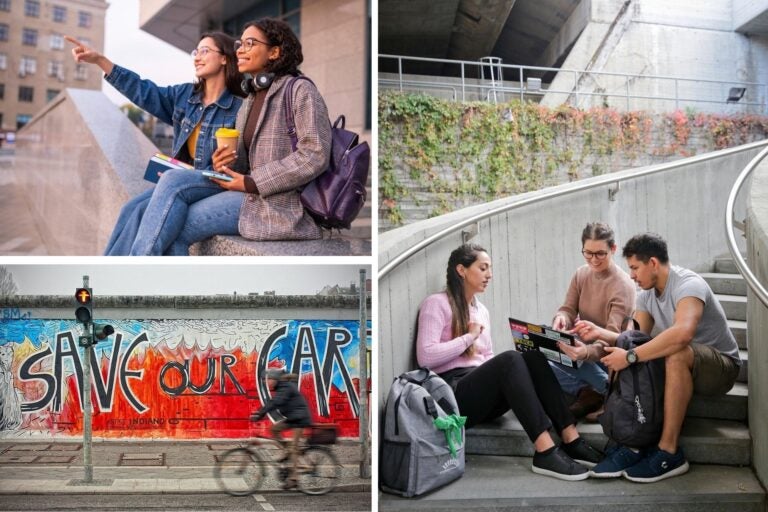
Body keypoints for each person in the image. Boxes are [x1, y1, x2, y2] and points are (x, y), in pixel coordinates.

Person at [124, 18, 332, 255]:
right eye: (239, 44)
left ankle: (136, 268)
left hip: (279, 204)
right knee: (170, 197)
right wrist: (227, 161)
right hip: (247, 194)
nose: (240, 50)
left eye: (250, 43)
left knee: (173, 212)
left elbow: (315, 154)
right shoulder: (251, 98)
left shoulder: (300, 90)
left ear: (274, 52)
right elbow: (245, 164)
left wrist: (253, 182)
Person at [416, 243, 603, 481]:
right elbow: (426, 357)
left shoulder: (481, 310)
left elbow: (488, 360)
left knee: (533, 355)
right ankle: (545, 451)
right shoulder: (437, 304)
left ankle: (571, 438)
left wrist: (517, 381)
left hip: (482, 396)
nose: (489, 275)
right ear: (461, 270)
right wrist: (469, 337)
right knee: (510, 359)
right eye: (483, 268)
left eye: (490, 269)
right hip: (452, 395)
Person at [572, 233, 741, 482]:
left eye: (635, 268)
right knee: (630, 345)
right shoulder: (647, 295)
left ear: (652, 263)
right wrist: (602, 335)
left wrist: (630, 356)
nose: (631, 275)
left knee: (674, 353)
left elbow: (683, 334)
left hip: (720, 368)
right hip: (683, 367)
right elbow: (633, 338)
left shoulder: (688, 284)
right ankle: (632, 441)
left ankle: (669, 452)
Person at [65, 33, 245, 255]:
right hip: (185, 180)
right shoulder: (185, 96)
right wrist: (101, 61)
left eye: (205, 51)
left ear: (225, 58)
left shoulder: (239, 107)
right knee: (132, 208)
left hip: (216, 180)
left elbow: (245, 159)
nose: (197, 57)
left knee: (162, 213)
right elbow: (144, 91)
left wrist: (228, 162)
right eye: (195, 52)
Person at [550, 222, 636, 419]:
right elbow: (568, 309)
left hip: (607, 357)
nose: (593, 260)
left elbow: (611, 338)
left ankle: (609, 389)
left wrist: (584, 352)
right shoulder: (581, 274)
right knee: (535, 353)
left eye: (600, 254)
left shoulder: (623, 285)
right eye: (588, 253)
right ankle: (588, 391)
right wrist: (561, 318)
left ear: (613, 249)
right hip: (583, 351)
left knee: (565, 353)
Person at [250, 368, 311, 490]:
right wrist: (260, 414)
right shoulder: (282, 387)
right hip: (293, 417)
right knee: (274, 429)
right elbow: (274, 402)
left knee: (293, 448)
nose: (267, 382)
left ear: (276, 379)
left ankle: (294, 479)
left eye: (270, 380)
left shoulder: (285, 387)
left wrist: (260, 414)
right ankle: (286, 451)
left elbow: (275, 402)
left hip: (299, 419)